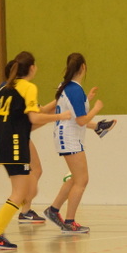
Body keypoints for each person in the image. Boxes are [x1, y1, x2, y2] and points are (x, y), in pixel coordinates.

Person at [0, 51, 71, 250]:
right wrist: (60, 116)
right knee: (21, 192)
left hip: (6, 142)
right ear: (31, 68)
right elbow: (34, 117)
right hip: (15, 143)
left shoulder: (5, 88)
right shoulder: (28, 87)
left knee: (26, 190)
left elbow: (17, 120)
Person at [43, 53, 109, 233]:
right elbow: (81, 120)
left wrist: (88, 99)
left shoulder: (66, 87)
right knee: (82, 180)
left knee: (75, 177)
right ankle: (70, 221)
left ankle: (53, 210)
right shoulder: (75, 90)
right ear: (83, 67)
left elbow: (73, 110)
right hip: (70, 138)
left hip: (66, 136)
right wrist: (96, 109)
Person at [0, 60, 46, 225]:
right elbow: (36, 116)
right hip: (15, 137)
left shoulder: (3, 88)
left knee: (33, 173)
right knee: (28, 179)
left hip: (10, 136)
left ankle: (18, 211)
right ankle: (23, 211)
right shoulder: (17, 88)